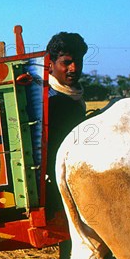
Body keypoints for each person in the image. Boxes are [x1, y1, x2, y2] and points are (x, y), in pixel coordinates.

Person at [45, 32, 88, 219]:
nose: (74, 68)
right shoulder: (51, 101)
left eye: (78, 62)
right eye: (67, 62)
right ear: (50, 64)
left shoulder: (73, 96)